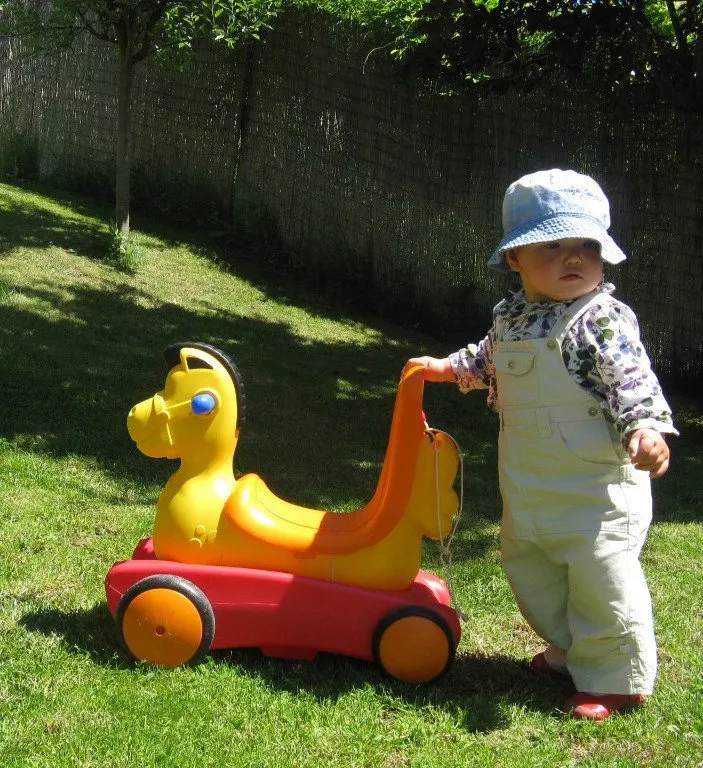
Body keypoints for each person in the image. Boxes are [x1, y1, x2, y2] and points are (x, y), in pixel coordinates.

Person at [406, 169, 677, 721]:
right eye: (553, 245)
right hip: (529, 480)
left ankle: (615, 676)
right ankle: (575, 648)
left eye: (586, 246)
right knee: (528, 562)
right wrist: (447, 368)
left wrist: (646, 427)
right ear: (515, 258)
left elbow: (631, 379)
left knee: (601, 574)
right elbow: (488, 360)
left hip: (595, 486)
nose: (573, 257)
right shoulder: (511, 318)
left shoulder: (601, 318)